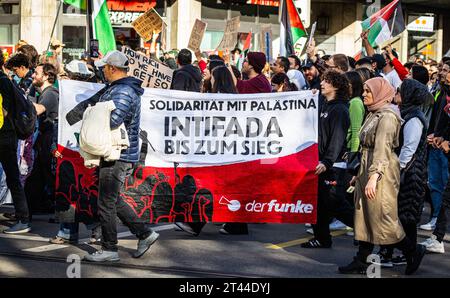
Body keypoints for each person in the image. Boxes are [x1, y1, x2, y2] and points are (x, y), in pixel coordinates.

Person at [338, 77, 426, 275]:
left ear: (379, 93)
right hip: (368, 167)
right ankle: (362, 260)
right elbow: (367, 147)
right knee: (364, 216)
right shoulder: (374, 113)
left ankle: (413, 250)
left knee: (382, 217)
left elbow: (382, 149)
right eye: (364, 91)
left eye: (368, 91)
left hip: (382, 170)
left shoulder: (387, 116)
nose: (363, 94)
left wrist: (374, 176)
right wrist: (360, 173)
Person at [84, 51, 159, 262]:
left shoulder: (123, 91)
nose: (102, 71)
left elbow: (114, 120)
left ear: (113, 69)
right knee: (112, 200)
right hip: (116, 152)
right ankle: (145, 233)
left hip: (118, 153)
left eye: (104, 67)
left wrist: (91, 115)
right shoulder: (120, 89)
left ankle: (109, 249)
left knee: (106, 202)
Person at [376, 79, 429, 267]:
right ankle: (403, 253)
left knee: (403, 215)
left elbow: (409, 149)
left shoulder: (414, 118)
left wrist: (396, 170)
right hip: (407, 171)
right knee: (400, 214)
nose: (396, 93)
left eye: (400, 91)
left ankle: (406, 253)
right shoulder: (406, 113)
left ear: (409, 95)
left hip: (410, 173)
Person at [301, 70, 353, 249]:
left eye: (326, 81)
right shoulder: (325, 104)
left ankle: (369, 233)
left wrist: (327, 161)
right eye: (322, 80)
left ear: (336, 86)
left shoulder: (340, 109)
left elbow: (337, 139)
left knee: (336, 205)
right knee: (319, 204)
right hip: (322, 163)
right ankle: (322, 238)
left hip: (333, 166)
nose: (321, 84)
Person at [0, 54, 31, 234]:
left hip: (4, 135)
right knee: (12, 177)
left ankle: (23, 218)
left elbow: (4, 110)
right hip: (6, 134)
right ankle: (23, 217)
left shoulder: (2, 81)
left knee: (12, 177)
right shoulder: (5, 80)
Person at [420, 71, 450, 253]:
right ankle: (437, 238)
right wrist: (441, 137)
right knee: (445, 197)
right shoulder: (445, 93)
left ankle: (438, 238)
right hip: (442, 146)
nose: (444, 73)